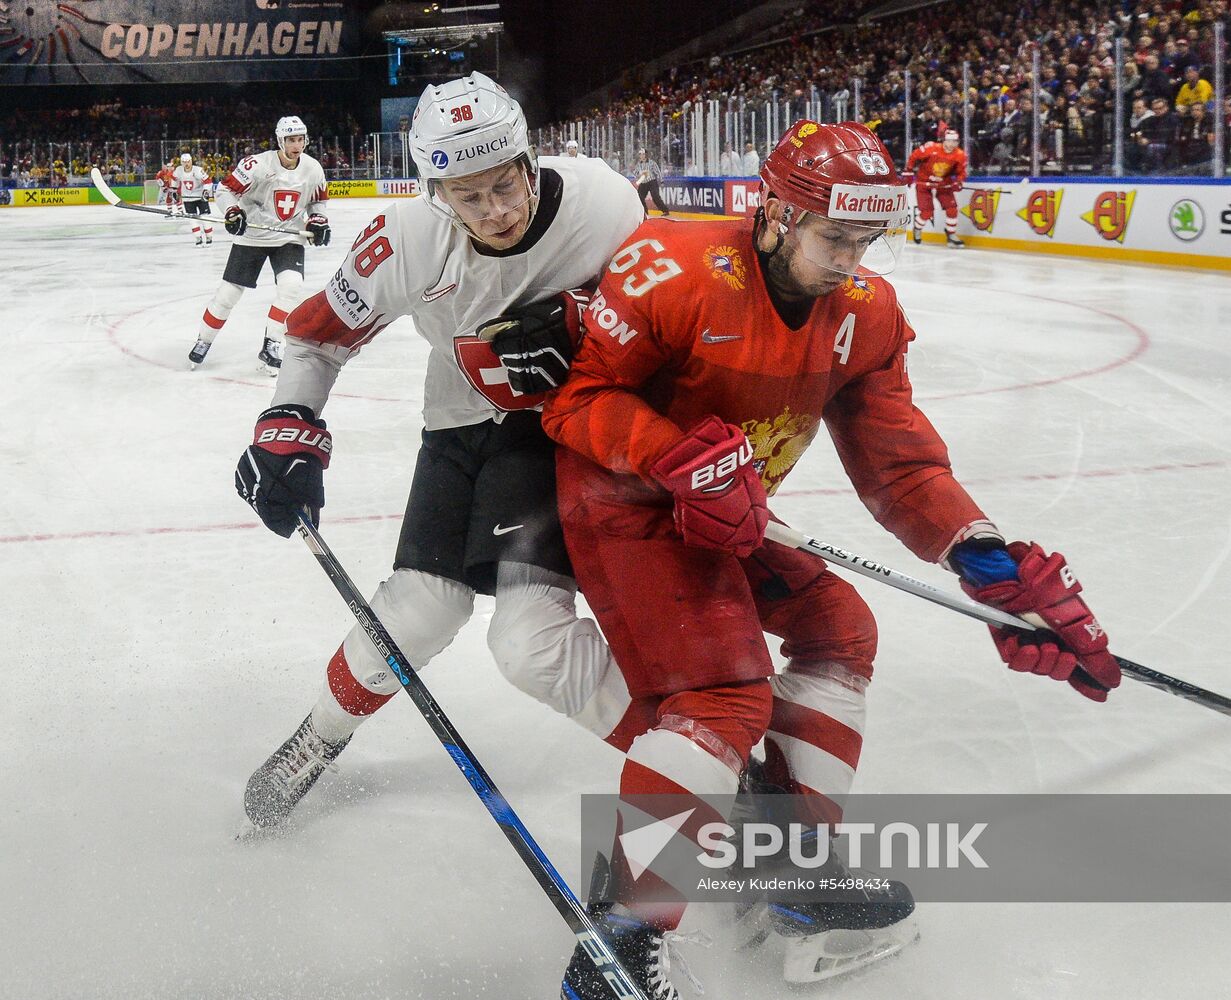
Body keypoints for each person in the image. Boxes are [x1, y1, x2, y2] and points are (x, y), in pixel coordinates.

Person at [541, 121, 1120, 998]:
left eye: (866, 240)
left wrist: (985, 559)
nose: (851, 260)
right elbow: (579, 401)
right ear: (775, 214)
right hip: (625, 507)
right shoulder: (671, 266)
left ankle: (793, 872)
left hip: (732, 517)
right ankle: (618, 937)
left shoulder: (868, 312)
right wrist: (672, 455)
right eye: (834, 238)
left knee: (839, 629)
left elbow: (900, 458)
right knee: (723, 695)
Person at [233, 72, 644, 831]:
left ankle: (696, 759)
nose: (496, 210)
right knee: (421, 609)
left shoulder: (605, 204)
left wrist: (584, 324)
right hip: (457, 418)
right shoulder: (407, 240)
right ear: (435, 192)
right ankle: (318, 737)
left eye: (505, 183)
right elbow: (318, 336)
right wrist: (286, 423)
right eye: (468, 195)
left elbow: (668, 314)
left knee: (531, 641)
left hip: (563, 430)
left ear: (528, 160)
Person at [188, 116, 330, 375]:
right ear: (280, 140)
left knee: (292, 287)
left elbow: (317, 202)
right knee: (228, 295)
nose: (296, 145)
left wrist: (319, 220)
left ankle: (271, 346)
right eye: (291, 140)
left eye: (300, 139)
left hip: (288, 236)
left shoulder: (313, 169)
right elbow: (224, 191)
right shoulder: (257, 164)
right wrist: (232, 212)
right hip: (252, 236)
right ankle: (204, 340)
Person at [907, 127, 967, 247]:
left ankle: (951, 235)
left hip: (943, 184)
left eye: (954, 142)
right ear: (943, 140)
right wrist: (908, 171)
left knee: (952, 209)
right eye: (949, 141)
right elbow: (914, 156)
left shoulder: (960, 155)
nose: (951, 144)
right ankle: (917, 229)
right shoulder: (931, 148)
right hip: (924, 182)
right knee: (927, 212)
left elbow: (961, 173)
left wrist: (959, 182)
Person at [172, 152, 213, 247]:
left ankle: (209, 237)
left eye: (188, 161)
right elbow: (174, 180)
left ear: (191, 161)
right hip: (187, 199)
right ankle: (198, 238)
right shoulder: (178, 170)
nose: (186, 164)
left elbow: (208, 181)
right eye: (184, 162)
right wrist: (174, 191)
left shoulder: (198, 170)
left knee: (205, 218)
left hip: (200, 197)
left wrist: (205, 192)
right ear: (181, 162)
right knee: (192, 219)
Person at [634, 147, 670, 216]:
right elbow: (635, 173)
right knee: (640, 197)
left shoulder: (652, 163)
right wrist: (639, 174)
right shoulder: (638, 164)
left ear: (646, 155)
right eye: (640, 154)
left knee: (655, 196)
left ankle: (665, 210)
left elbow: (658, 172)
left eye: (642, 154)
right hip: (643, 183)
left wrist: (661, 181)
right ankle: (645, 212)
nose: (641, 156)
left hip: (652, 182)